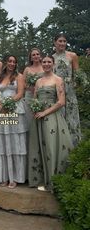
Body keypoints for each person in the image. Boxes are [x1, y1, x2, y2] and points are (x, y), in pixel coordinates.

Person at [28, 55, 73, 190]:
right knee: (38, 147)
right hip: (38, 118)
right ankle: (41, 179)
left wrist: (45, 112)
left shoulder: (58, 80)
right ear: (41, 63)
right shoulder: (38, 81)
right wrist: (35, 108)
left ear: (53, 64)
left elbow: (61, 102)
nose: (46, 64)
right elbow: (35, 99)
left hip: (52, 118)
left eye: (49, 62)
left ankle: (53, 181)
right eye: (44, 62)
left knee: (50, 147)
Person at [0, 55, 28, 188]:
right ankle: (5, 177)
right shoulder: (0, 78)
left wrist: (8, 104)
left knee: (15, 143)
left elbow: (20, 93)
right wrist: (1, 106)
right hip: (2, 112)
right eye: (10, 61)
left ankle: (15, 177)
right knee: (4, 143)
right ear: (6, 63)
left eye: (14, 61)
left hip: (15, 111)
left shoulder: (19, 76)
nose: (12, 63)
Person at [53, 34, 81, 146]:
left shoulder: (72, 55)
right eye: (60, 41)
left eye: (64, 41)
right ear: (55, 42)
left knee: (72, 116)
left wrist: (74, 86)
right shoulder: (51, 58)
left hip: (70, 91)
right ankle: (62, 145)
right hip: (56, 90)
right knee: (60, 116)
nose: (62, 43)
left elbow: (77, 74)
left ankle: (75, 145)